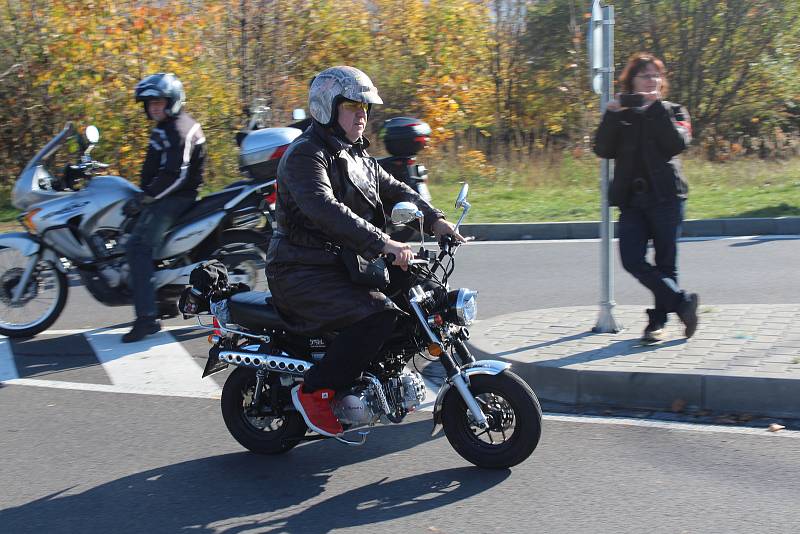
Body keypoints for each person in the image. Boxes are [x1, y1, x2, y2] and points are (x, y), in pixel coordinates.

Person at [266, 66, 464, 436]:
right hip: (300, 270)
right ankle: (315, 392)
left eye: (366, 107)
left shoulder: (356, 155)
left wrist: (436, 221)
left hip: (342, 262)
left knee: (425, 290)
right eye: (353, 105)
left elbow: (397, 190)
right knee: (377, 314)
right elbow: (325, 210)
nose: (362, 114)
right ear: (327, 107)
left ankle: (380, 370)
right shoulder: (305, 156)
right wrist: (384, 244)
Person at [594, 52, 699, 344]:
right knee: (631, 259)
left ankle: (657, 323)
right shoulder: (622, 114)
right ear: (632, 81)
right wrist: (613, 114)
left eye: (656, 75)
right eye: (645, 75)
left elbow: (677, 144)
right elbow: (602, 148)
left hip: (667, 198)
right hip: (632, 201)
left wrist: (654, 109)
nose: (652, 80)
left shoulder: (675, 111)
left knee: (666, 264)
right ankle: (683, 303)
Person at [122, 73, 206, 343]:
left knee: (137, 247)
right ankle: (165, 301)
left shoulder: (180, 129)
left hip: (176, 198)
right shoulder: (165, 127)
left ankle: (147, 319)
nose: (154, 107)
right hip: (165, 195)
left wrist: (147, 197)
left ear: (172, 101)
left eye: (158, 102)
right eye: (149, 103)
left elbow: (176, 175)